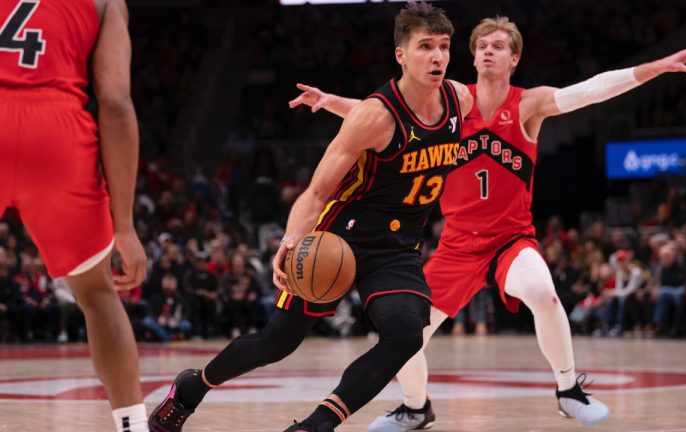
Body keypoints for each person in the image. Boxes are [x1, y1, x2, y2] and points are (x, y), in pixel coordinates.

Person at [291, 16, 686, 429]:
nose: (488, 50)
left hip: (511, 240)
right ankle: (417, 408)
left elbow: (592, 90)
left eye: (498, 45)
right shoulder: (451, 104)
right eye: (482, 45)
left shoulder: (529, 104)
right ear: (472, 57)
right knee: (403, 330)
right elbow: (383, 117)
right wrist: (330, 102)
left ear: (514, 57)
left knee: (544, 293)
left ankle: (568, 390)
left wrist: (656, 67)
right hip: (456, 244)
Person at [148, 3, 473, 432]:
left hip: (397, 248)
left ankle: (315, 426)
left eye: (444, 47)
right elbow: (317, 191)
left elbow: (411, 121)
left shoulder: (460, 99)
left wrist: (335, 101)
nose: (437, 56)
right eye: (425, 46)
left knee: (407, 334)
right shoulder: (373, 116)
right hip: (340, 238)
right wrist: (288, 244)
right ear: (401, 55)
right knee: (276, 342)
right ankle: (191, 388)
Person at [0, 0, 148, 431]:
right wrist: (124, 226)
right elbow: (117, 103)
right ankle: (132, 426)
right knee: (98, 295)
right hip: (57, 132)